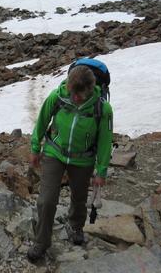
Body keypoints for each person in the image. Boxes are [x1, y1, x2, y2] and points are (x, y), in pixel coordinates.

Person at [27, 65, 113, 262]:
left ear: (91, 89)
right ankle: (41, 241)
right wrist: (35, 148)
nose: (74, 98)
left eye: (79, 95)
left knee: (79, 197)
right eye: (72, 92)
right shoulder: (58, 97)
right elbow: (42, 121)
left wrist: (101, 172)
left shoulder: (102, 109)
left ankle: (76, 226)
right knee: (46, 200)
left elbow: (105, 141)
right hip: (54, 152)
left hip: (83, 159)